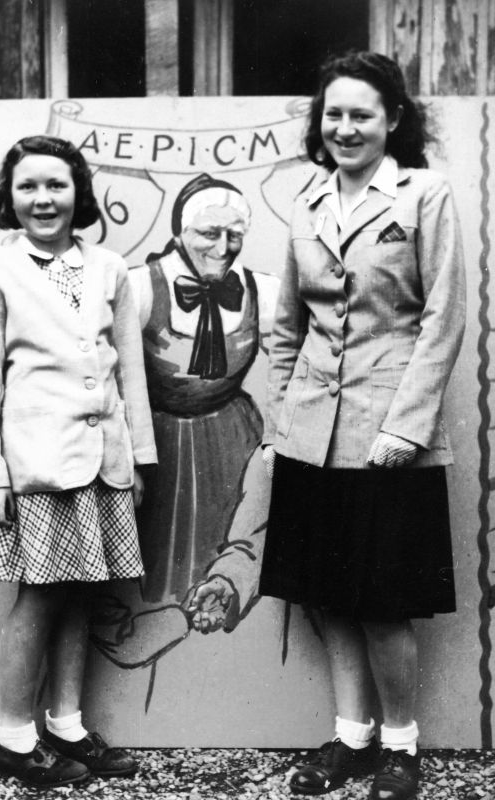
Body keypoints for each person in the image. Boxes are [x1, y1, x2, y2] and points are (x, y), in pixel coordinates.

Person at [259, 52, 466, 800]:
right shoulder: (307, 201)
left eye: (361, 114)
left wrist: (405, 428)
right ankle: (351, 739)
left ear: (393, 120)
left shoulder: (424, 195)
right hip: (311, 435)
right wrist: (289, 413)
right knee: (327, 595)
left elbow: (444, 318)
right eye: (333, 114)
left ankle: (401, 748)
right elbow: (286, 328)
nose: (344, 128)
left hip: (388, 440)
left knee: (381, 601)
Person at [0, 135, 157, 788]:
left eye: (57, 185)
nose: (43, 199)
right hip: (37, 467)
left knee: (82, 591)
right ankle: (13, 736)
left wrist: (141, 461)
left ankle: (66, 723)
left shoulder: (108, 270)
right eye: (28, 187)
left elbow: (130, 370)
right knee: (41, 596)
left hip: (103, 462)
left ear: (79, 193)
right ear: (9, 201)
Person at [127, 173, 278, 633]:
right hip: (161, 449)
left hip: (234, 441)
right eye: (209, 233)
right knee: (158, 588)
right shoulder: (140, 287)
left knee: (237, 550)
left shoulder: (262, 289)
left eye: (235, 234)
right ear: (179, 233)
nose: (224, 246)